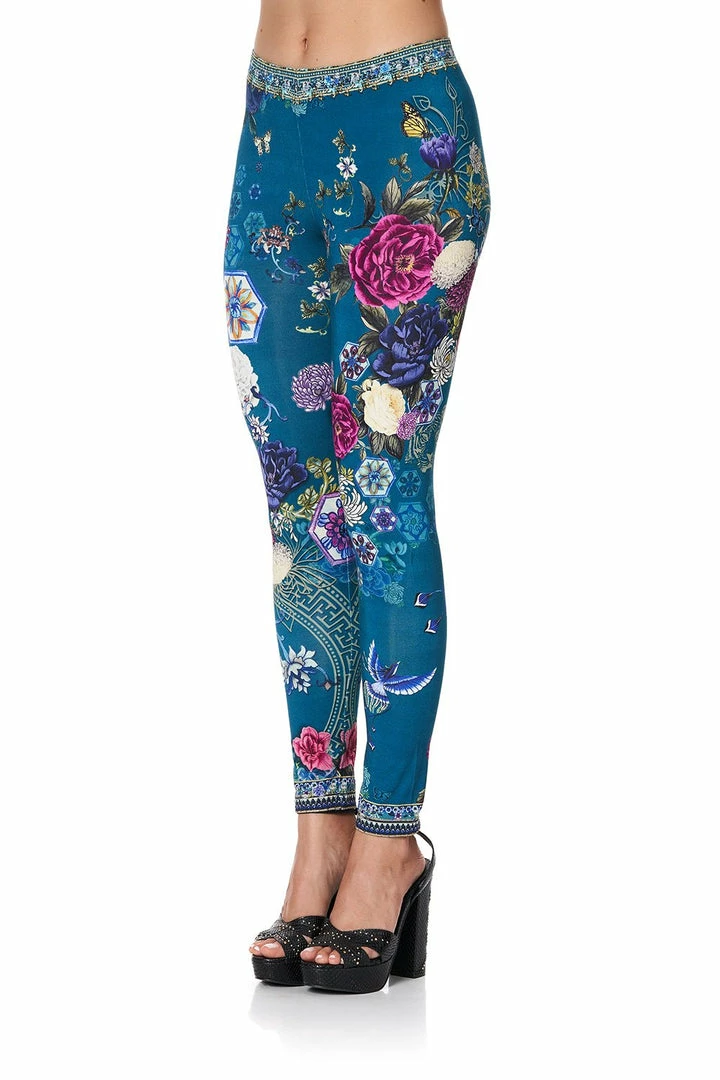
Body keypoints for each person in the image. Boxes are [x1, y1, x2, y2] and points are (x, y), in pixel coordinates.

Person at [223, 0, 491, 993]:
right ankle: (321, 834)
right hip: (270, 128)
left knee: (382, 496)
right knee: (300, 510)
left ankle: (389, 844)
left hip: (403, 126)